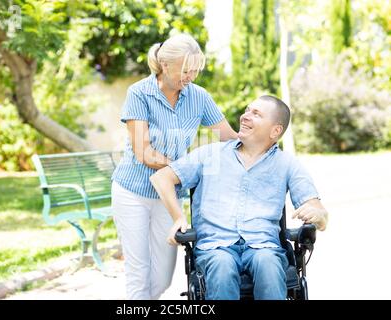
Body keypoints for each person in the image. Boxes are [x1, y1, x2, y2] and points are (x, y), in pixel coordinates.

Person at [150, 95, 329, 300]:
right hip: (215, 247)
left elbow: (319, 211)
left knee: (268, 264)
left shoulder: (287, 164)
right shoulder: (211, 154)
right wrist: (178, 218)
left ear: (275, 131)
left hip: (264, 246)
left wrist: (318, 215)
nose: (245, 116)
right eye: (247, 110)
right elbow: (161, 178)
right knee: (222, 265)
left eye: (256, 114)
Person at [111, 33, 238, 300]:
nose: (190, 76)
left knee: (161, 278)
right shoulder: (139, 93)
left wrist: (261, 144)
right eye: (185, 70)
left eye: (195, 70)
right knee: (139, 272)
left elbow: (228, 136)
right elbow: (143, 152)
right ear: (164, 65)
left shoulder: (199, 97)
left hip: (168, 197)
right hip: (132, 193)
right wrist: (185, 167)